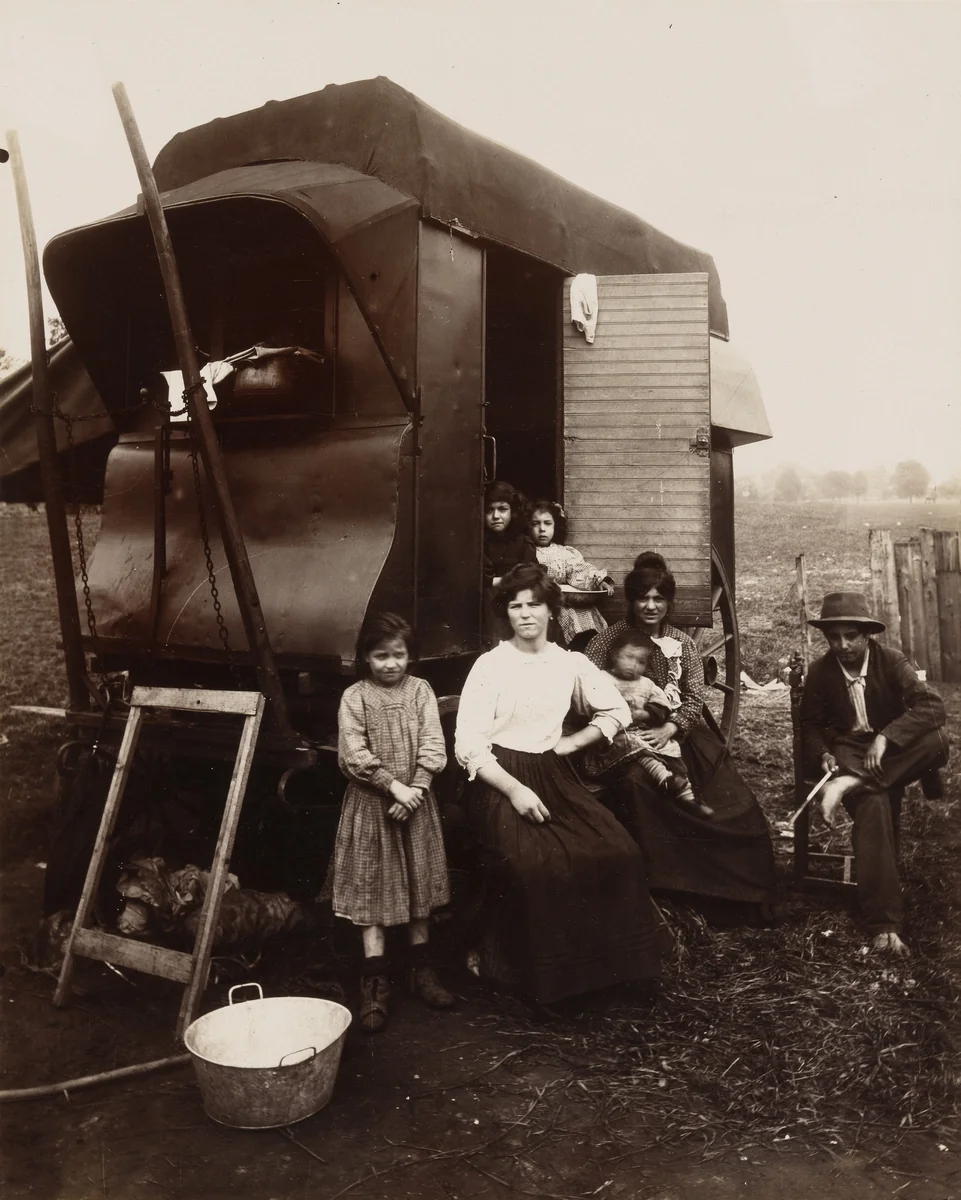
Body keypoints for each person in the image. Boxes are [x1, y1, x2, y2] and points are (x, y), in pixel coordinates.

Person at [454, 563, 664, 1003]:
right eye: (515, 606)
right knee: (536, 862)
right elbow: (469, 743)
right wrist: (514, 789)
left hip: (552, 773)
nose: (525, 614)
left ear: (553, 610)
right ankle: (546, 979)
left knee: (618, 850)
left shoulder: (570, 663)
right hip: (496, 778)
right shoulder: (490, 665)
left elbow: (616, 713)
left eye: (535, 604)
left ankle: (611, 973)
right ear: (506, 613)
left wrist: (568, 746)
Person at [586, 552, 776, 909]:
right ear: (632, 600)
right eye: (643, 598)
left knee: (732, 802)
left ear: (669, 602)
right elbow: (583, 686)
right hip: (623, 738)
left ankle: (719, 890)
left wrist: (671, 728)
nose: (650, 606)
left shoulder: (682, 643)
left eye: (659, 598)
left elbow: (693, 699)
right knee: (637, 784)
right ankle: (663, 882)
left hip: (675, 737)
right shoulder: (608, 640)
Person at [799, 592, 949, 956]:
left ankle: (851, 784)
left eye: (851, 636)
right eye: (834, 637)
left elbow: (932, 707)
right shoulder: (821, 671)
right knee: (875, 803)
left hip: (889, 751)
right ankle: (884, 925)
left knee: (938, 741)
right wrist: (821, 755)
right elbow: (810, 725)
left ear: (867, 635)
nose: (843, 645)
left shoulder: (892, 661)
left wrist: (887, 736)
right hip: (849, 752)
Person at [332, 612, 454, 1033]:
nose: (390, 663)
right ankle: (375, 982)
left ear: (410, 656)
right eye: (380, 655)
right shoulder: (355, 697)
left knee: (420, 885)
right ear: (366, 657)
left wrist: (416, 788)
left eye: (398, 655)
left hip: (415, 804)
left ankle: (422, 972)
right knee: (372, 889)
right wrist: (391, 787)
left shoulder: (420, 691)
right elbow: (352, 752)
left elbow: (434, 743)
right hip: (372, 808)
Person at [583, 626, 714, 819]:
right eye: (628, 658)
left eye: (641, 661)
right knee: (634, 745)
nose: (634, 666)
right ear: (613, 655)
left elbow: (661, 706)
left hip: (641, 731)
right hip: (613, 735)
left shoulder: (647, 684)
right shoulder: (602, 679)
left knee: (670, 748)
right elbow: (587, 703)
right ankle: (665, 779)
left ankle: (688, 796)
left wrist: (645, 714)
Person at [528, 498, 614, 646]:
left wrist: (600, 580)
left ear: (555, 526)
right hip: (542, 602)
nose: (542, 529)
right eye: (535, 524)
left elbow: (579, 569)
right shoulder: (527, 551)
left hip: (567, 601)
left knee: (585, 615)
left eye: (547, 523)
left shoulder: (563, 552)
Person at [483, 480, 537, 587]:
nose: (495, 516)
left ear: (512, 512)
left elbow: (531, 575)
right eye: (489, 510)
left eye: (502, 509)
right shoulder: (480, 543)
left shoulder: (523, 543)